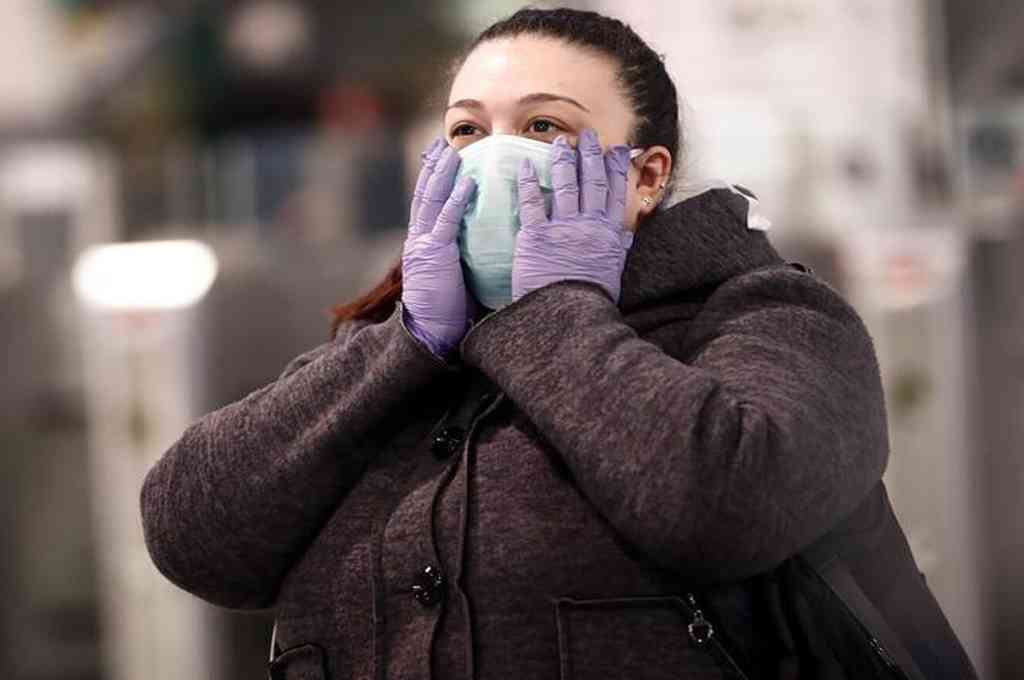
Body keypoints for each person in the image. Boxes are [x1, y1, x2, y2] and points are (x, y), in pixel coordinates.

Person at [139, 7, 976, 680]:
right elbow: (192, 533)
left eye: (542, 127)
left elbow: (721, 502)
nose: (495, 156)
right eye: (468, 132)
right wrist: (406, 344)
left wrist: (551, 310)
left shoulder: (774, 320)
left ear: (646, 177)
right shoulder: (392, 355)